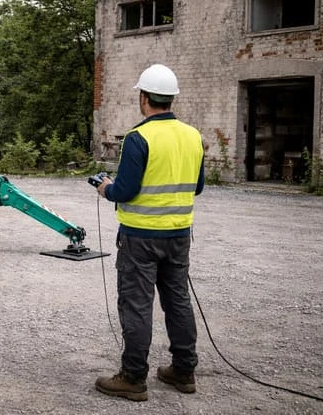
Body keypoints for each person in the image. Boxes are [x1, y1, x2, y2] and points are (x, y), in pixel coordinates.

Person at [94, 64, 205, 402]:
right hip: (179, 235)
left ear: (144, 98)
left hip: (140, 237)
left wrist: (105, 188)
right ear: (171, 98)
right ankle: (183, 371)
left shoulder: (138, 138)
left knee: (137, 306)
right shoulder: (193, 137)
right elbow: (197, 187)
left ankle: (133, 377)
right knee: (178, 301)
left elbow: (124, 191)